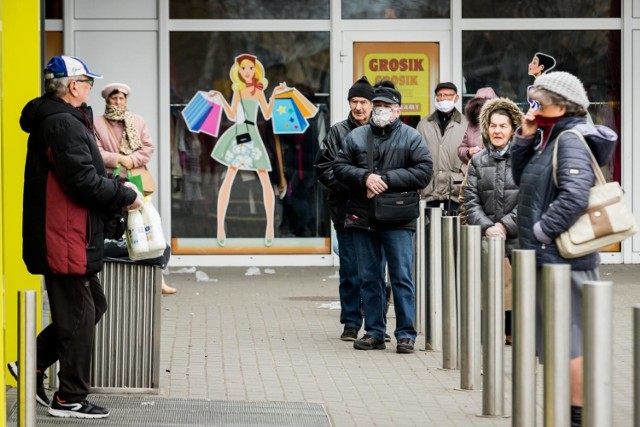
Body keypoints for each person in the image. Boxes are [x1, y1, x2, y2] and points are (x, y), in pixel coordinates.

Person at [16, 55, 143, 418]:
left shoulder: (67, 119)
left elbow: (82, 172)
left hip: (71, 233)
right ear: (73, 86)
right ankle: (68, 397)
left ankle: (32, 363)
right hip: (64, 235)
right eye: (87, 82)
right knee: (80, 316)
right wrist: (124, 194)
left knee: (92, 309)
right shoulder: (62, 123)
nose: (90, 88)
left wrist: (114, 185)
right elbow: (82, 181)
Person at [511, 71, 617, 427]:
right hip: (548, 259)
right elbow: (520, 179)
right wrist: (525, 137)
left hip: (564, 259)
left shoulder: (570, 139)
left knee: (571, 340)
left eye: (539, 100)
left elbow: (573, 196)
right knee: (556, 339)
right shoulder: (548, 138)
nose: (533, 106)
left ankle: (577, 416)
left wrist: (542, 232)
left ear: (561, 104)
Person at [333, 86, 433, 353]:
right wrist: (365, 177)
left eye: (386, 107)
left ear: (397, 110)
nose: (379, 111)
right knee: (369, 277)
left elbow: (424, 172)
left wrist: (385, 180)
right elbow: (339, 167)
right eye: (377, 106)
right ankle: (375, 332)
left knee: (401, 276)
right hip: (362, 216)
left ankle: (405, 334)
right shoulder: (356, 136)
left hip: (398, 217)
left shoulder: (412, 137)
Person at [94, 82, 177, 295]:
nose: (118, 102)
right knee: (115, 230)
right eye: (114, 98)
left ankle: (158, 277)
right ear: (107, 100)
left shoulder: (137, 121)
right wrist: (118, 159)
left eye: (122, 98)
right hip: (111, 183)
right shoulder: (97, 123)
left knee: (149, 228)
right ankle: (110, 279)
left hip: (137, 183)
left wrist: (131, 160)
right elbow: (95, 151)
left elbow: (148, 148)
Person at [314, 76, 375, 341]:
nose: (358, 106)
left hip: (377, 212)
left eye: (363, 101)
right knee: (350, 271)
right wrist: (350, 185)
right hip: (346, 209)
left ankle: (376, 323)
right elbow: (323, 168)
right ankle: (351, 322)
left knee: (373, 271)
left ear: (372, 104)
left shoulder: (382, 130)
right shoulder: (338, 131)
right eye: (354, 101)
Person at [209, 54, 287, 247]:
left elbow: (268, 114)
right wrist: (219, 97)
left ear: (255, 70)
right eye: (243, 68)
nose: (247, 71)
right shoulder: (239, 91)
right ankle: (220, 227)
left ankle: (269, 228)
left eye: (250, 68)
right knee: (228, 178)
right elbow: (231, 113)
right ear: (238, 71)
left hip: (251, 133)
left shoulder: (258, 91)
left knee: (264, 178)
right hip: (238, 133)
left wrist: (276, 93)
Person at [463, 97, 523, 345]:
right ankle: (490, 333)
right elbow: (470, 199)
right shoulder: (478, 161)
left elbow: (529, 199)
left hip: (517, 237)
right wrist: (488, 226)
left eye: (503, 126)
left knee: (516, 287)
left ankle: (514, 332)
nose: (497, 131)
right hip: (486, 236)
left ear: (513, 129)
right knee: (488, 286)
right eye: (493, 125)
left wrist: (505, 225)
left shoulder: (524, 159)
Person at [417, 82, 468, 214]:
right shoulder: (424, 124)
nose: (442, 98)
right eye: (439, 95)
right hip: (429, 188)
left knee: (454, 232)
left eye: (447, 95)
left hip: (455, 189)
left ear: (456, 98)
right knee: (429, 231)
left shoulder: (466, 124)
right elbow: (416, 154)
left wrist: (463, 170)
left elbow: (475, 152)